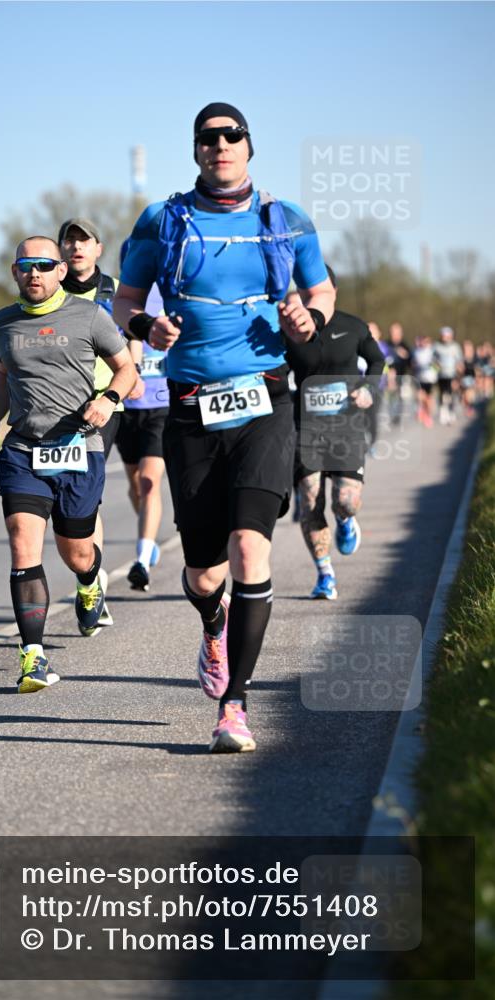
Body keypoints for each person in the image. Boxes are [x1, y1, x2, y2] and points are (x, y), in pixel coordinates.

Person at [114, 102, 335, 753]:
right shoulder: (162, 220)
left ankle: (234, 705)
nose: (219, 145)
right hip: (189, 408)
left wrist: (309, 322)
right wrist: (144, 328)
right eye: (206, 138)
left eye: (229, 135)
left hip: (266, 403)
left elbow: (320, 292)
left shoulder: (284, 220)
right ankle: (213, 624)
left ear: (248, 145)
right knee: (207, 573)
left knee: (249, 550)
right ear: (195, 151)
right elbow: (126, 299)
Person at [0, 236, 136, 692]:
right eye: (26, 265)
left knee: (77, 551)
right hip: (23, 449)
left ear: (61, 271)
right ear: (14, 272)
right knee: (22, 543)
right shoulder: (2, 323)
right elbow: (4, 373)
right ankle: (33, 657)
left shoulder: (90, 316)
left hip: (77, 447)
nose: (35, 272)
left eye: (45, 264)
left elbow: (127, 368)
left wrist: (108, 399)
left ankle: (89, 581)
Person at [284, 269, 385, 601]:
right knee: (310, 499)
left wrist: (368, 388)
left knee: (345, 501)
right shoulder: (288, 332)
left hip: (347, 427)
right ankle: (325, 574)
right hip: (306, 427)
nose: (308, 297)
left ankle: (345, 521)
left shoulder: (353, 326)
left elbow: (376, 360)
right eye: (303, 291)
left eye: (316, 291)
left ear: (332, 292)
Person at [58, 217, 129, 631]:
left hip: (105, 404)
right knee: (77, 499)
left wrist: (129, 379)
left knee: (90, 494)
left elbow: (131, 337)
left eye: (83, 241)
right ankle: (91, 580)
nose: (76, 248)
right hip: (60, 404)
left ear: (98, 248)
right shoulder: (52, 289)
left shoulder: (116, 291)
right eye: (69, 241)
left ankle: (94, 585)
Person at [115, 240, 168, 591]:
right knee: (136, 486)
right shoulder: (115, 301)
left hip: (161, 405)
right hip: (124, 408)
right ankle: (147, 537)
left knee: (150, 481)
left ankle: (142, 557)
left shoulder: (168, 297)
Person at [433, 325, 463, 425]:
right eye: (444, 335)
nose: (445, 337)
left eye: (447, 336)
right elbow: (433, 362)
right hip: (441, 375)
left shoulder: (455, 347)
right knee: (442, 394)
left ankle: (451, 411)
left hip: (452, 374)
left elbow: (459, 362)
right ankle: (443, 412)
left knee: (451, 394)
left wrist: (459, 374)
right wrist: (436, 369)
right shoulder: (436, 346)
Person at [385, 322, 412, 426]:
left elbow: (411, 362)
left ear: (401, 333)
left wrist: (405, 355)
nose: (394, 334)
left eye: (397, 332)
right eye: (392, 332)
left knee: (401, 396)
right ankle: (392, 414)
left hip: (402, 374)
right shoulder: (386, 344)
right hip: (389, 376)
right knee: (391, 396)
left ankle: (398, 415)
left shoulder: (405, 345)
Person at [412, 335, 438, 427]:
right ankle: (421, 411)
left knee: (428, 399)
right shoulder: (416, 351)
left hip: (430, 379)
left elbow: (437, 366)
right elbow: (413, 364)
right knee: (420, 396)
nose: (423, 343)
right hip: (420, 378)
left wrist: (433, 367)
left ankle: (428, 415)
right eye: (422, 341)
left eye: (426, 341)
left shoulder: (432, 352)